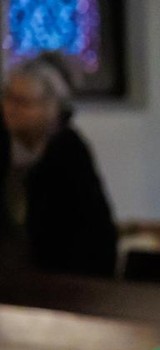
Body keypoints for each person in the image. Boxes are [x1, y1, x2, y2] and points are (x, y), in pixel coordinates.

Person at [0, 53, 117, 277]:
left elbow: (94, 231)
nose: (10, 109)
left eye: (23, 102)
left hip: (60, 276)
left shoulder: (69, 150)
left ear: (51, 108)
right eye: (7, 98)